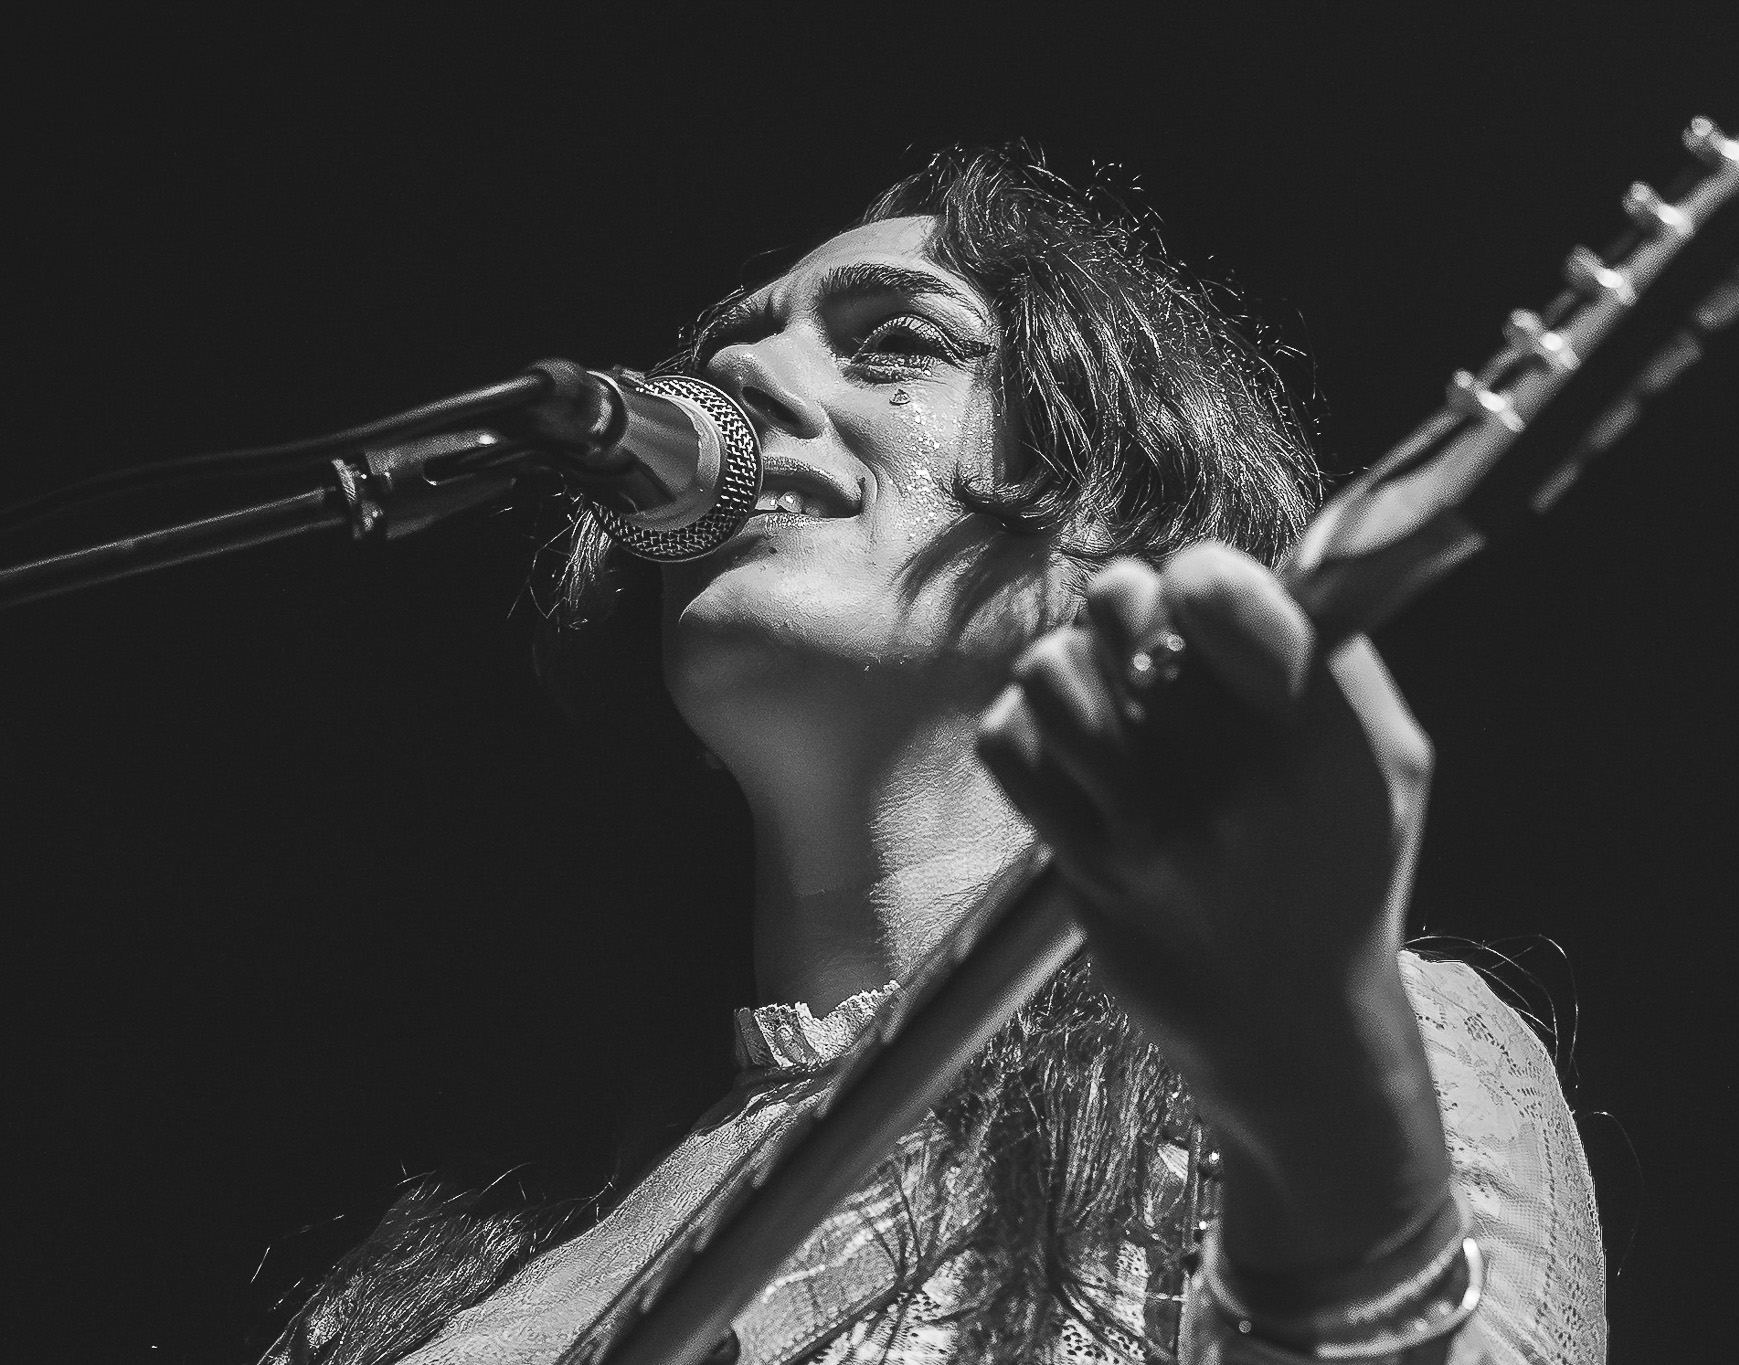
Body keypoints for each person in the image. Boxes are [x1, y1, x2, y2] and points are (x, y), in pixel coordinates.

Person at [266, 145, 1605, 1365]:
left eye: (898, 343)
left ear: (1113, 531)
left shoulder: (1378, 1046)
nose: (740, 380)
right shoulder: (490, 1247)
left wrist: (1327, 1105)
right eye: (723, 357)